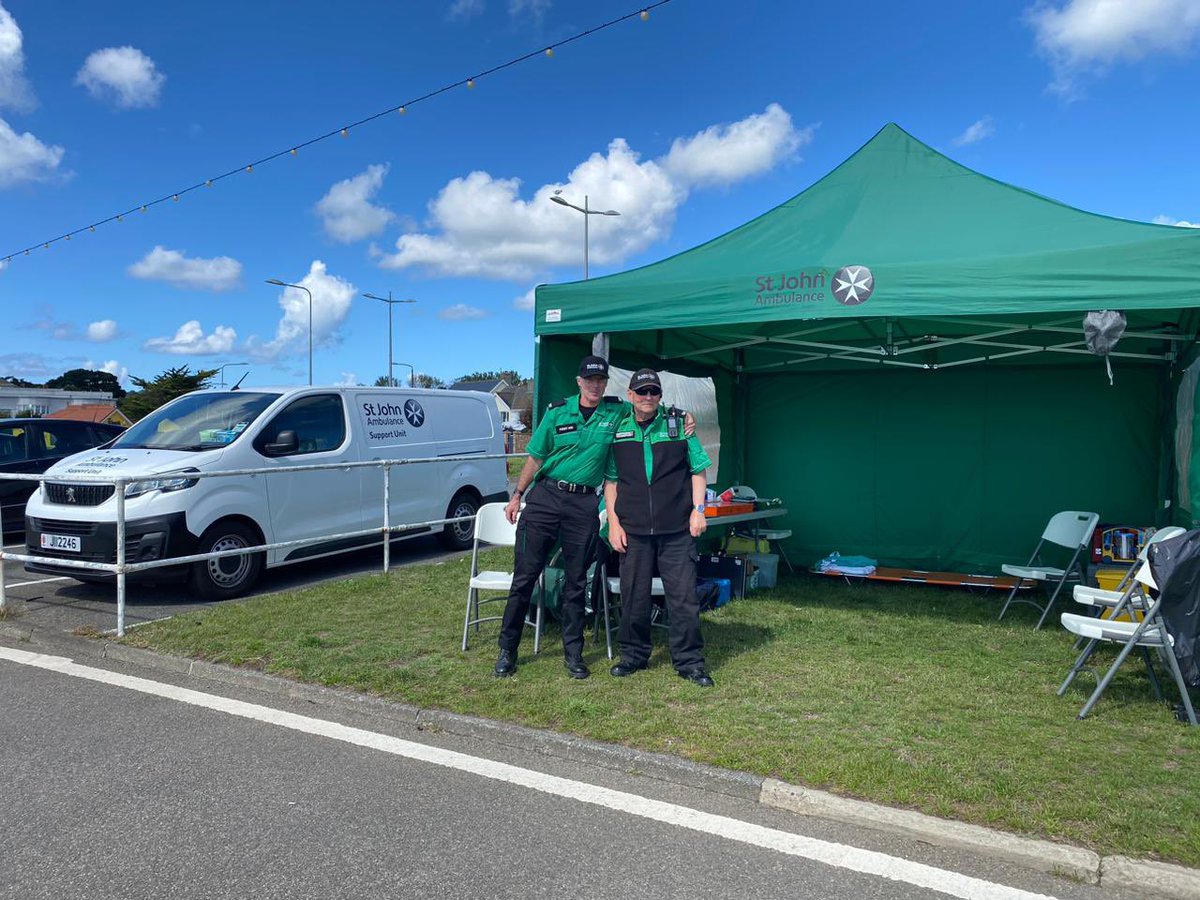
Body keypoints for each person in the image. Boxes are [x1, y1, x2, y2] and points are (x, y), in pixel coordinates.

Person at [494, 357, 695, 680]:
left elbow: (649, 406)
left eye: (601, 380)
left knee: (576, 582)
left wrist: (684, 415)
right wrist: (517, 494)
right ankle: (507, 650)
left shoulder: (616, 412)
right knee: (525, 577)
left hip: (583, 503)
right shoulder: (557, 411)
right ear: (579, 382)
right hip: (545, 497)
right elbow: (536, 456)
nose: (595, 385)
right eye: (590, 381)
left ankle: (573, 654)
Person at [604, 368, 715, 687]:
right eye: (642, 392)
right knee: (634, 597)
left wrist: (698, 511)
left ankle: (690, 662)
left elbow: (698, 470)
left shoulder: (679, 424)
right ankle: (634, 656)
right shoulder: (618, 427)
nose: (648, 397)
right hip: (633, 530)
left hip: (677, 529)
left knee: (683, 599)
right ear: (630, 396)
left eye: (654, 391)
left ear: (660, 395)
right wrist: (613, 523)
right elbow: (611, 481)